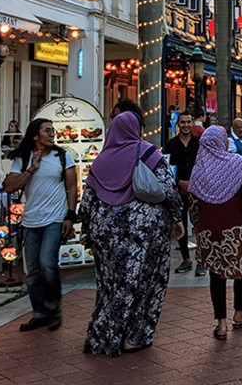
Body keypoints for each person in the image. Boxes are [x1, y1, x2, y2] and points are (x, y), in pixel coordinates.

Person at [79, 109, 183, 355]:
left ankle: (103, 335)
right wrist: (177, 217)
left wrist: (86, 230)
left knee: (110, 284)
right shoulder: (147, 152)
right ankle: (134, 336)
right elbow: (168, 188)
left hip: (104, 233)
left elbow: (87, 200)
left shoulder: (101, 160)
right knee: (145, 282)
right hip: (143, 233)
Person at [3, 117, 79, 332]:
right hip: (31, 220)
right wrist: (31, 169)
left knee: (47, 263)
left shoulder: (62, 156)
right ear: (35, 136)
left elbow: (72, 187)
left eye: (53, 130)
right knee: (33, 271)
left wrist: (70, 216)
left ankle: (54, 308)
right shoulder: (23, 158)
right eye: (47, 130)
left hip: (54, 219)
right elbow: (9, 187)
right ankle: (39, 313)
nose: (52, 134)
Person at [188, 125, 242, 340]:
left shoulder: (198, 170)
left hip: (209, 233)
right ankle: (239, 313)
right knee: (241, 270)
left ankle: (221, 325)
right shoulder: (238, 164)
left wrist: (197, 227)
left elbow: (193, 206)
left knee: (216, 276)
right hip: (236, 230)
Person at [164, 111, 204, 276]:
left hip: (197, 190)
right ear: (178, 124)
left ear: (192, 123)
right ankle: (186, 259)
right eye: (183, 122)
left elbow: (203, 165)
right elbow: (167, 168)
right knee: (180, 225)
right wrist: (179, 182)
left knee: (199, 226)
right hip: (179, 190)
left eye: (188, 122)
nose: (186, 125)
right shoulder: (171, 144)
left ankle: (201, 261)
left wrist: (194, 182)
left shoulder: (199, 143)